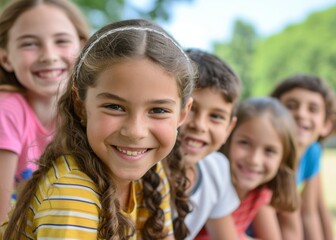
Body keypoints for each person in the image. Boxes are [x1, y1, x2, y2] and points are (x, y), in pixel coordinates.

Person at [0, 18, 195, 240]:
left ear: (182, 113)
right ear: (80, 105)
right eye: (114, 107)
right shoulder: (71, 198)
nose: (135, 131)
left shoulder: (151, 170)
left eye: (158, 110)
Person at [0, 0, 89, 223]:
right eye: (29, 44)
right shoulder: (6, 110)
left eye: (61, 41)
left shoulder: (89, 113)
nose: (49, 55)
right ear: (5, 58)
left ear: (83, 47)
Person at [196, 97, 300, 240]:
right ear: (227, 139)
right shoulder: (212, 184)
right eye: (244, 143)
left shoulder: (260, 193)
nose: (254, 160)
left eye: (269, 151)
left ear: (283, 159)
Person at [166, 48, 241, 240]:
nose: (199, 125)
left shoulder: (217, 168)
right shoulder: (141, 167)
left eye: (216, 116)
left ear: (229, 129)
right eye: (189, 108)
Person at [269, 74, 336, 240]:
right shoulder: (264, 156)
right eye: (291, 106)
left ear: (326, 125)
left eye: (312, 109)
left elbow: (310, 213)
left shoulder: (312, 151)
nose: (301, 114)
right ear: (272, 113)